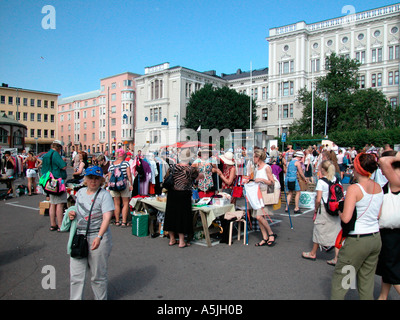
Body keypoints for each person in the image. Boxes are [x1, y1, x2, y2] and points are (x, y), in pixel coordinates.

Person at [331, 153, 383, 300]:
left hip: (357, 240)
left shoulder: (355, 189)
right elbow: (378, 214)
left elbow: (346, 218)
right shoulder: (378, 187)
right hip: (374, 237)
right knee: (366, 281)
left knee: (342, 281)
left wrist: (340, 209)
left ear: (357, 168)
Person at [67, 166, 115, 300]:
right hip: (80, 237)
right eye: (90, 178)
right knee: (76, 276)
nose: (93, 181)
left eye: (96, 178)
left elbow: (107, 217)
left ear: (101, 180)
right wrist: (72, 214)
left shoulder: (104, 195)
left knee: (98, 276)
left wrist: (99, 237)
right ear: (85, 179)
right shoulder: (80, 193)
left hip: (98, 237)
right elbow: (78, 210)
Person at [302, 160, 341, 264]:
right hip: (335, 208)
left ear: (323, 170)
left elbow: (318, 199)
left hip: (324, 208)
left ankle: (313, 253)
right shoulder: (336, 180)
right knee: (336, 232)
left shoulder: (321, 182)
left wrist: (315, 209)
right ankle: (337, 257)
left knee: (318, 230)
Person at [164, 149, 201, 248]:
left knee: (171, 215)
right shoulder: (191, 169)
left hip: (172, 193)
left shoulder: (172, 167)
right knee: (182, 216)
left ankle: (172, 239)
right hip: (184, 194)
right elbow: (197, 178)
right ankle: (181, 241)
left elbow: (166, 177)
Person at [376, 150, 400, 299]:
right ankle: (383, 296)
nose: (383, 171)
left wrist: (394, 157)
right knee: (388, 266)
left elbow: (384, 162)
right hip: (391, 230)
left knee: (391, 267)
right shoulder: (393, 182)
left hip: (392, 231)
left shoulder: (396, 181)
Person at [252, 149, 277, 247]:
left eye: (254, 157)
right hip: (258, 193)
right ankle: (264, 237)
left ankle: (271, 234)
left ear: (258, 157)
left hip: (265, 193)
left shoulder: (267, 167)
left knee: (259, 216)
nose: (253, 159)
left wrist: (262, 179)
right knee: (259, 217)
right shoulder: (256, 168)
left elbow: (272, 182)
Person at [41, 140, 68, 231]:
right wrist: (63, 161)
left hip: (48, 181)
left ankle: (53, 224)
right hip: (57, 181)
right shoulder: (56, 154)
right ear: (59, 147)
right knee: (60, 204)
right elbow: (63, 166)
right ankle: (60, 225)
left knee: (52, 203)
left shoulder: (47, 155)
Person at [108, 148, 133, 227]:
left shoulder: (112, 164)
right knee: (125, 203)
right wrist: (131, 184)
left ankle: (117, 221)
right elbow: (129, 175)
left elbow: (109, 177)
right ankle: (124, 222)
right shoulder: (126, 163)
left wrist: (110, 186)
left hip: (114, 186)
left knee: (116, 203)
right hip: (124, 185)